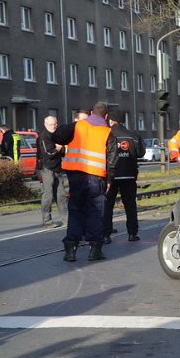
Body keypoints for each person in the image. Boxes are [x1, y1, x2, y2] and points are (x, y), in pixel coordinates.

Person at [53, 103, 112, 262]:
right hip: (96, 177)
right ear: (106, 116)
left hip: (75, 176)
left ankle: (70, 250)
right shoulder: (107, 132)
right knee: (95, 212)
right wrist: (110, 180)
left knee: (76, 210)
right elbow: (112, 160)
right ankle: (94, 250)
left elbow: (57, 136)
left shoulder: (77, 126)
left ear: (92, 113)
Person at [104, 109, 145, 244]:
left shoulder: (107, 135)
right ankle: (132, 233)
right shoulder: (133, 135)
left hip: (112, 176)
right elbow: (140, 153)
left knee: (108, 205)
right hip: (129, 175)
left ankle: (106, 234)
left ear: (111, 120)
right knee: (130, 205)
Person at [36, 116, 68, 228]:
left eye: (55, 124)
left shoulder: (57, 136)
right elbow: (48, 154)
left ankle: (66, 219)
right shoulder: (44, 137)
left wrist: (61, 149)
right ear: (45, 124)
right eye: (51, 124)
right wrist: (58, 149)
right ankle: (47, 221)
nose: (53, 126)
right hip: (46, 168)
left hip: (57, 168)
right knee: (48, 195)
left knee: (61, 195)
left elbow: (63, 152)